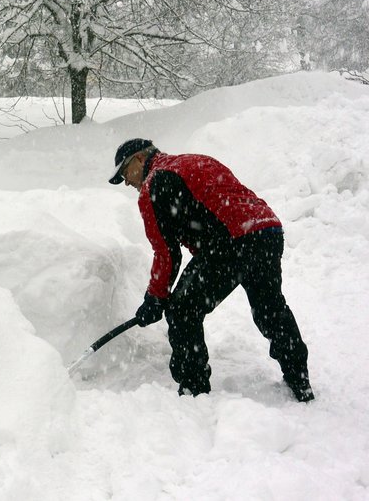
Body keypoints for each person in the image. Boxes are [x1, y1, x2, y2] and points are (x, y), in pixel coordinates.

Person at [108, 138, 314, 402]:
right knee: (270, 308)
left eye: (125, 172)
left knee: (182, 310)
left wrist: (155, 299)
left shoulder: (153, 186)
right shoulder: (193, 160)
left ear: (139, 158)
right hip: (266, 230)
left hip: (230, 243)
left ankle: (194, 392)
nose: (127, 182)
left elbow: (166, 254)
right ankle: (300, 380)